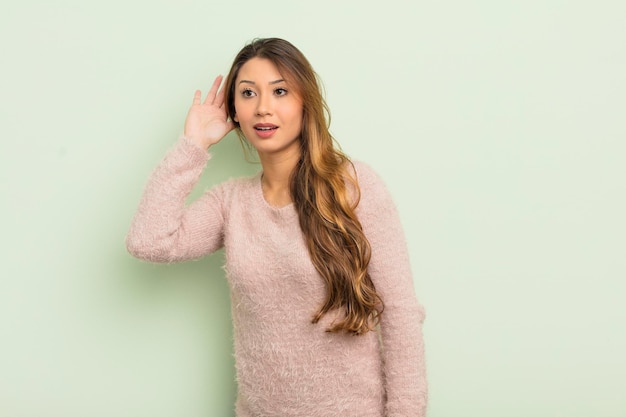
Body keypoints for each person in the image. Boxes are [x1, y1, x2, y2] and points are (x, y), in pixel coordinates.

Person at [126, 37, 427, 417]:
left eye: (280, 91)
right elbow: (149, 241)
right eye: (248, 93)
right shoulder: (230, 203)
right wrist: (193, 144)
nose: (263, 108)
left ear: (305, 102)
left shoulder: (355, 187)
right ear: (234, 110)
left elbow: (399, 311)